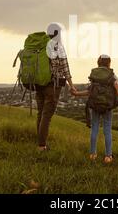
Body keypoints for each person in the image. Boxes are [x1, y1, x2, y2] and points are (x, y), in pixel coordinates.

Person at [71, 54, 118, 164]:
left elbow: (89, 92)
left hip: (95, 105)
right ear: (109, 63)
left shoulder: (94, 74)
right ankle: (108, 156)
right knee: (107, 130)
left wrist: (76, 93)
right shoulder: (112, 76)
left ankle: (92, 154)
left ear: (98, 62)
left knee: (94, 128)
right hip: (107, 106)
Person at [35, 23, 76, 151]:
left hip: (39, 84)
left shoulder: (41, 46)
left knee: (41, 113)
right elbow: (65, 68)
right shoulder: (58, 47)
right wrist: (71, 86)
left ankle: (40, 142)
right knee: (46, 115)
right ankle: (42, 146)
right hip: (52, 85)